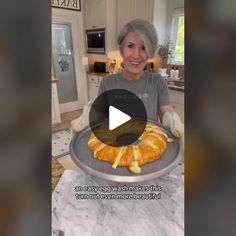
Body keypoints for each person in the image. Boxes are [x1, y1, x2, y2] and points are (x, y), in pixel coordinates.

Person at [97, 19, 183, 137]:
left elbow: (165, 113)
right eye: (130, 46)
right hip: (117, 148)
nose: (136, 55)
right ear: (122, 50)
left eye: (143, 47)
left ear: (149, 52)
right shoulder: (107, 83)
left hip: (150, 147)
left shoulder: (157, 82)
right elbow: (100, 121)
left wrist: (173, 121)